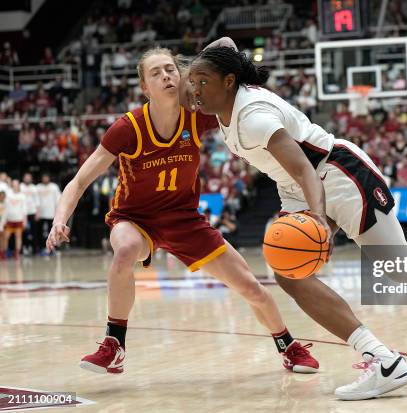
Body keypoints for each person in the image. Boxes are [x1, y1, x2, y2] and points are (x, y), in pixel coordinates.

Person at [187, 44, 407, 400]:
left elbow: (305, 168)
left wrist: (317, 219)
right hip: (296, 185)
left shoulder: (254, 116)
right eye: (191, 80)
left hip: (337, 174)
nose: (194, 89)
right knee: (288, 273)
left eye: (202, 81)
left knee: (400, 267)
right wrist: (190, 67)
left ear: (228, 81)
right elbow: (225, 45)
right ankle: (381, 358)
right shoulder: (223, 98)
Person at [46, 46, 317, 376]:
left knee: (250, 287)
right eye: (156, 72)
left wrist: (201, 66)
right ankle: (114, 345)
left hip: (185, 219)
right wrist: (60, 219)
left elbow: (227, 48)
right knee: (126, 249)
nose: (166, 76)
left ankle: (287, 345)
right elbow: (78, 181)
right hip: (135, 218)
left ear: (182, 75)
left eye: (171, 69)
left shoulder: (199, 115)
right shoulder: (127, 128)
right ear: (145, 87)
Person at [2, 180, 27, 259]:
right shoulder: (8, 195)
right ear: (12, 185)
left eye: (17, 184)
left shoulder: (22, 196)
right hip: (9, 220)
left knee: (18, 237)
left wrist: (24, 220)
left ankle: (17, 253)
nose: (15, 186)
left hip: (18, 219)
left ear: (19, 185)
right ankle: (4, 253)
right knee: (6, 237)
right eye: (14, 184)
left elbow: (24, 209)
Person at [37, 173, 61, 254]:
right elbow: (36, 201)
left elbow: (58, 200)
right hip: (41, 215)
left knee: (53, 232)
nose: (45, 179)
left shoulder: (54, 187)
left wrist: (57, 212)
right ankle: (42, 247)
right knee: (41, 232)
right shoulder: (38, 187)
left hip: (51, 214)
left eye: (46, 177)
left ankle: (54, 248)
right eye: (44, 177)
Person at [21, 172, 40, 255]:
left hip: (32, 212)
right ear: (23, 178)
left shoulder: (34, 188)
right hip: (22, 213)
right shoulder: (20, 187)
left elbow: (37, 201)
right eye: (26, 177)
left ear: (31, 179)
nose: (27, 179)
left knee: (34, 232)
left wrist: (37, 213)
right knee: (23, 232)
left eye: (29, 177)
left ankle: (34, 249)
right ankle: (23, 248)